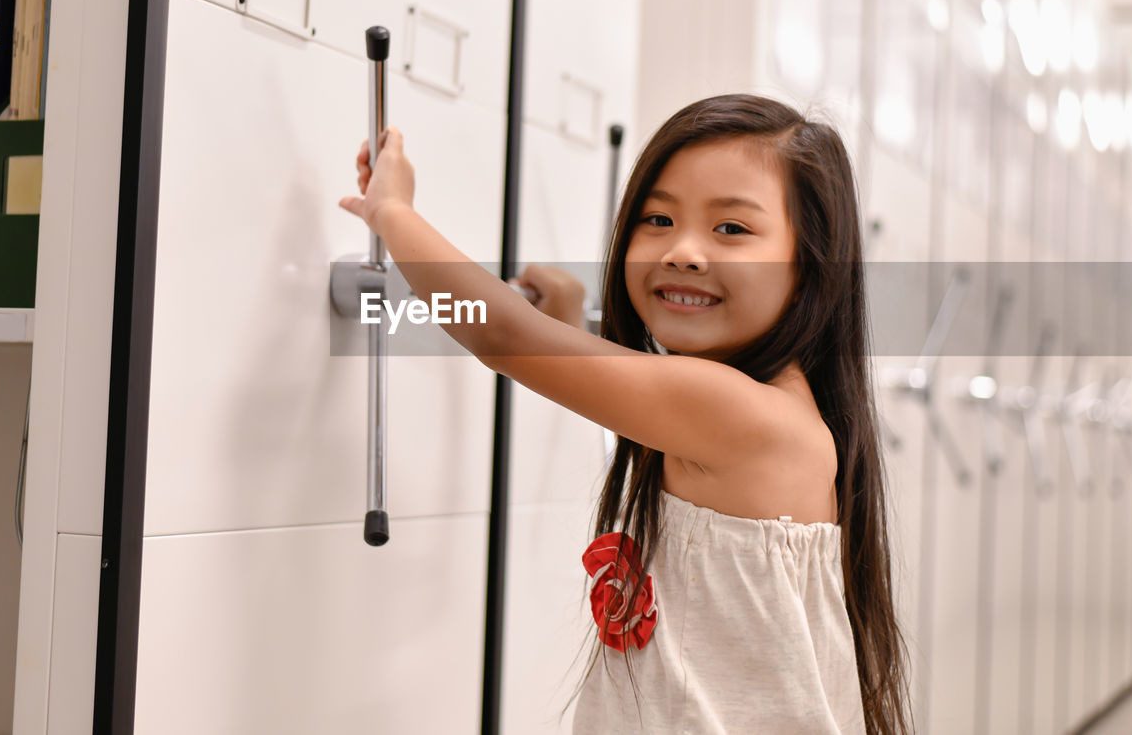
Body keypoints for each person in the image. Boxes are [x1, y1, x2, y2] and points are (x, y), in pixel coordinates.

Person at [339, 93, 912, 735]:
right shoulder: (751, 407)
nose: (683, 252)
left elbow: (502, 337)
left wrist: (391, 212)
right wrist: (564, 321)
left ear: (812, 265)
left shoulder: (740, 414)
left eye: (731, 229)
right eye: (658, 220)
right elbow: (626, 394)